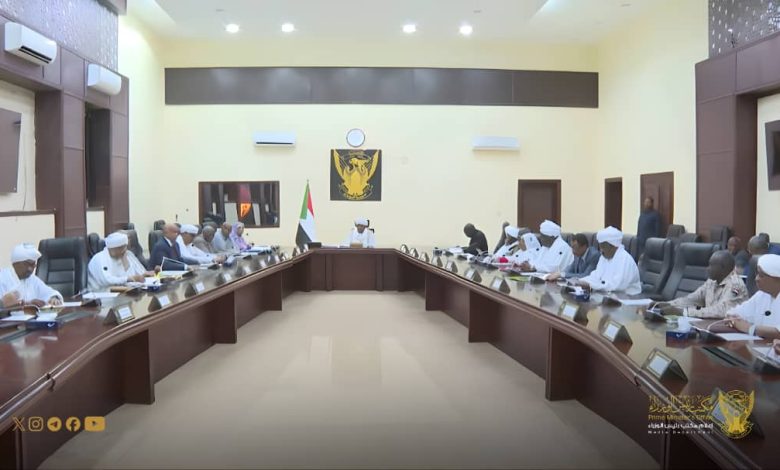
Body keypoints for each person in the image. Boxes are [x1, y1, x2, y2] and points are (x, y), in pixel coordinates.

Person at [655, 250, 748, 318]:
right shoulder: (712, 281)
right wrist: (666, 305)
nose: (707, 268)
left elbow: (722, 311)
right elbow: (692, 299)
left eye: (711, 265)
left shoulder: (736, 285)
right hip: (709, 326)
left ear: (723, 268)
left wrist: (684, 312)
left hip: (728, 332)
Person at [726, 254, 780, 340]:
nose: (756, 279)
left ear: (777, 278)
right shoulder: (761, 295)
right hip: (759, 345)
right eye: (757, 274)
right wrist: (734, 320)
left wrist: (750, 328)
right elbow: (733, 313)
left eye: (761, 275)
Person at [577, 226, 641, 295]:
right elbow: (596, 276)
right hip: (607, 295)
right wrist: (581, 281)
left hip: (627, 297)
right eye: (600, 247)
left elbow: (617, 286)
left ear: (613, 245)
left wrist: (592, 285)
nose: (601, 251)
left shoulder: (624, 259)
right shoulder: (604, 257)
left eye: (603, 247)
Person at [88, 232, 155, 291]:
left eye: (125, 247)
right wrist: (129, 279)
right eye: (121, 248)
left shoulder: (124, 256)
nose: (124, 250)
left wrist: (142, 276)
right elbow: (107, 280)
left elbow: (128, 277)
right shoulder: (100, 258)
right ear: (112, 248)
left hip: (120, 292)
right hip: (99, 294)